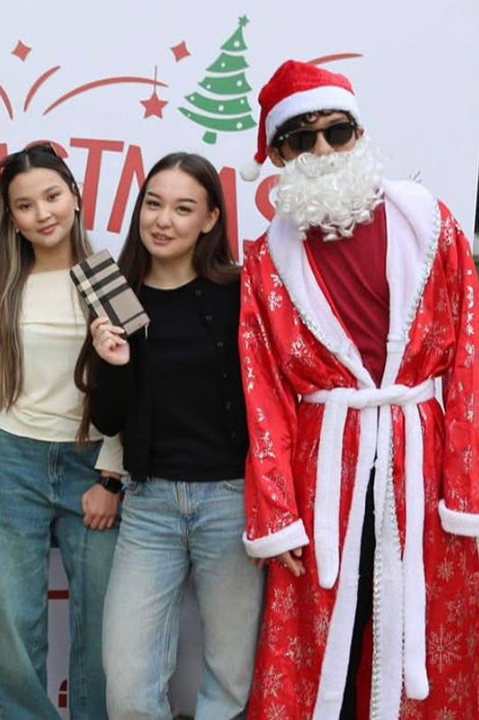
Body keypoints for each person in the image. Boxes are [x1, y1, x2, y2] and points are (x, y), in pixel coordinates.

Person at [239, 60, 479, 720]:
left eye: (336, 131)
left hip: (422, 463)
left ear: (359, 133)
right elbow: (264, 393)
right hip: (326, 470)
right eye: (299, 139)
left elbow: (469, 361)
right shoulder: (266, 259)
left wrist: (465, 490)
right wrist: (277, 512)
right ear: (278, 155)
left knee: (420, 621)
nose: (321, 150)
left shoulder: (431, 226)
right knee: (327, 638)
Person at [80, 153, 261, 720]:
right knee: (128, 683)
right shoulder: (117, 294)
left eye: (183, 208)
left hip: (231, 502)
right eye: (153, 204)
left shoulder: (241, 293)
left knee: (230, 676)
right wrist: (114, 361)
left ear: (209, 220)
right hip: (149, 505)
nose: (163, 220)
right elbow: (109, 419)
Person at [0, 143, 123, 720]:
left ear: (74, 196)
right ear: (11, 218)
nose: (42, 213)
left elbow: (131, 386)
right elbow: (1, 391)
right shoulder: (4, 279)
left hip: (90, 461)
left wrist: (112, 472)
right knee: (10, 621)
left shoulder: (108, 275)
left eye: (51, 196)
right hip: (9, 459)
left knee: (100, 623)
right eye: (24, 205)